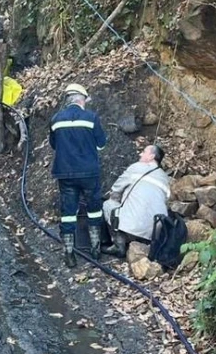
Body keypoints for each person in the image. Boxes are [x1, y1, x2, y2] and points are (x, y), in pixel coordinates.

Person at [49, 83, 107, 267]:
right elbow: (101, 144)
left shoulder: (56, 119)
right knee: (94, 208)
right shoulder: (91, 118)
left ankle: (68, 253)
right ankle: (96, 249)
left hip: (65, 173)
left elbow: (54, 145)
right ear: (81, 99)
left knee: (68, 212)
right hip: (89, 172)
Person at [101, 144, 170, 257]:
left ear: (152, 156)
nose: (140, 154)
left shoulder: (136, 167)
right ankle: (141, 242)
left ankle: (118, 244)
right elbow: (166, 201)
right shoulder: (165, 178)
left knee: (108, 205)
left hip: (132, 226)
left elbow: (115, 191)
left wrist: (119, 202)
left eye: (144, 151)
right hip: (153, 232)